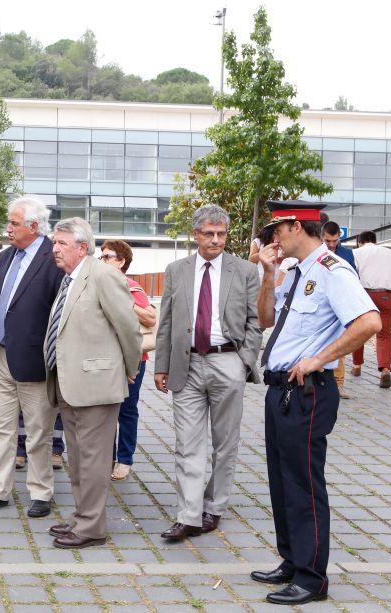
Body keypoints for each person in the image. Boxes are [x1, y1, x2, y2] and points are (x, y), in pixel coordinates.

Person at [254, 200, 380, 605]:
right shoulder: (295, 272)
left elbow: (369, 322)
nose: (273, 238)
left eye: (277, 230)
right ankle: (291, 559)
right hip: (280, 390)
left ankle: (312, 578)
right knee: (281, 479)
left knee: (304, 483)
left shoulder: (332, 271)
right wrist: (268, 275)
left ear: (296, 227)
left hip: (308, 391)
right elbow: (265, 320)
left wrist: (319, 358)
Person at [154, 204, 262, 542]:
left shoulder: (244, 270)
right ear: (196, 234)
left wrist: (243, 361)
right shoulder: (176, 270)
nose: (216, 240)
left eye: (221, 234)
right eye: (209, 234)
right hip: (186, 365)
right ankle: (188, 515)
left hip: (227, 361)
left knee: (225, 443)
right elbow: (166, 322)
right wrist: (161, 366)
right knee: (187, 443)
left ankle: (214, 507)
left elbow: (255, 322)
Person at [44, 217, 141, 549]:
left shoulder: (103, 276)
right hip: (69, 384)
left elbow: (129, 327)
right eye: (54, 242)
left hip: (97, 385)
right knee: (78, 459)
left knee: (94, 461)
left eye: (61, 244)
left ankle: (92, 528)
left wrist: (130, 368)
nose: (54, 248)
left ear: (82, 247)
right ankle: (82, 517)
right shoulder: (69, 279)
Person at [0, 196, 64, 518]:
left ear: (34, 227)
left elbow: (59, 313)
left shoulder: (54, 257)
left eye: (13, 223)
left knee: (39, 431)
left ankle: (41, 493)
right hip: (0, 356)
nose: (7, 228)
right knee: (1, 428)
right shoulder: (7, 255)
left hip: (35, 361)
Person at [99, 240, 156, 481]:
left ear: (121, 262)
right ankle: (105, 457)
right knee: (105, 410)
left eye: (108, 256)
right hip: (105, 358)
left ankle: (124, 459)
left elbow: (150, 318)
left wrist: (123, 302)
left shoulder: (131, 287)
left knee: (127, 410)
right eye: (101, 256)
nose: (102, 260)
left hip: (133, 358)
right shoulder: (98, 284)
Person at [351, 230, 391, 388]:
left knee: (359, 330)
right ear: (374, 241)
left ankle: (356, 366)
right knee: (384, 335)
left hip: (363, 296)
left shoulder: (356, 253)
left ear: (360, 242)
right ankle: (385, 369)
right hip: (385, 296)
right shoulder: (390, 253)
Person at [321, 221, 357, 398]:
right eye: (328, 240)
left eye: (335, 241)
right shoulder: (315, 253)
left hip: (341, 306)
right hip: (320, 305)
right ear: (322, 236)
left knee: (340, 343)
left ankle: (338, 384)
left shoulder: (347, 254)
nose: (332, 244)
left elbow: (354, 278)